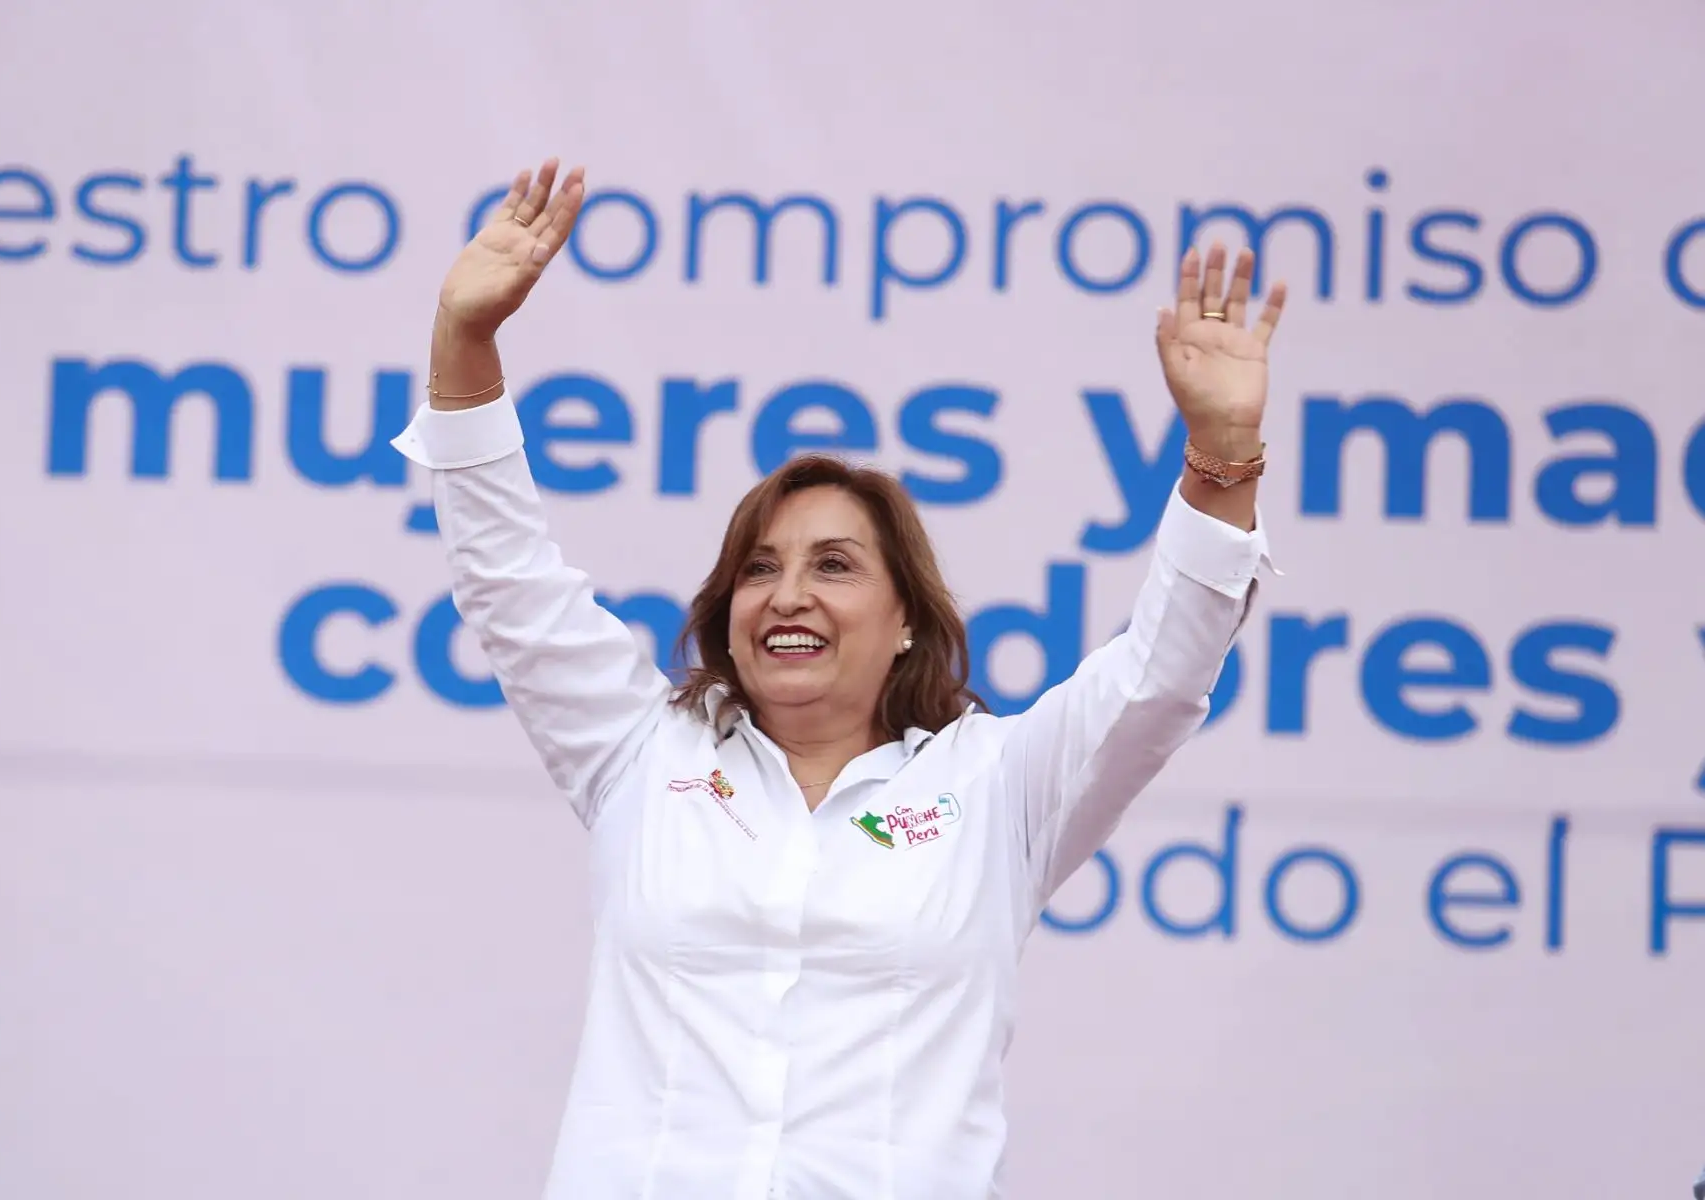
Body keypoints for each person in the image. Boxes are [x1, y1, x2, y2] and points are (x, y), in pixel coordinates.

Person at [391, 157, 1284, 1200]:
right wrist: (466, 343)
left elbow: (1164, 676)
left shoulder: (998, 789)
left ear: (906, 619)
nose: (788, 595)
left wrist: (1221, 450)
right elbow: (509, 580)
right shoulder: (642, 755)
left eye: (834, 566)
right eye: (759, 570)